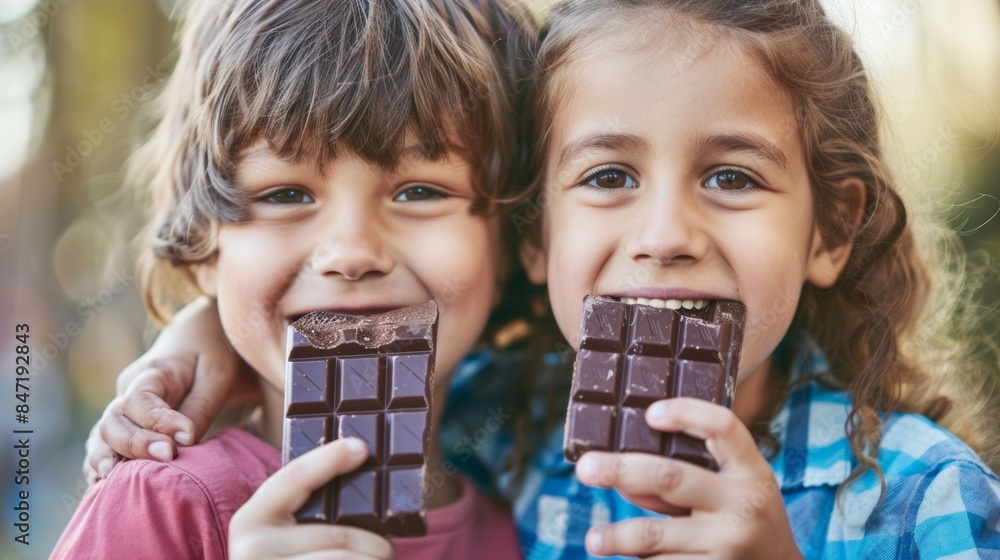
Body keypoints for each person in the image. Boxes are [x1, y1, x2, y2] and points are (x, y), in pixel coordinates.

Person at [83, 0, 1000, 558]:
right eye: (607, 177)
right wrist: (223, 326)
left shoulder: (925, 498)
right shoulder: (504, 431)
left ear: (832, 228)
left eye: (731, 176)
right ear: (535, 234)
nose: (667, 234)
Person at [52, 0, 538, 558]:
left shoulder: (523, 529)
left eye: (420, 191)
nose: (352, 254)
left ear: (511, 242)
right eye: (286, 194)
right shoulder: (165, 502)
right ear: (204, 247)